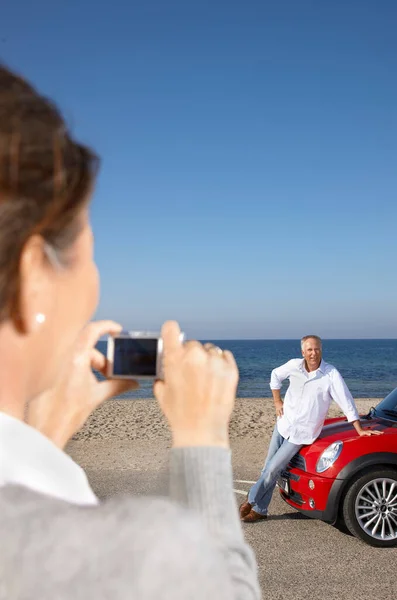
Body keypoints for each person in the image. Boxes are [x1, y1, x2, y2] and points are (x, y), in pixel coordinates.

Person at [0, 64, 260, 599]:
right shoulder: (138, 556)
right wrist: (202, 436)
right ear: (34, 282)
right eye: (88, 255)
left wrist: (42, 435)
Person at [239, 334, 382, 523]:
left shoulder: (330, 374)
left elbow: (345, 400)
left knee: (273, 469)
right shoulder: (294, 366)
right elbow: (275, 376)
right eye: (309, 350)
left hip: (301, 434)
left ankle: (251, 499)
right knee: (267, 467)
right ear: (303, 352)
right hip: (283, 424)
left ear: (321, 350)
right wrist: (276, 401)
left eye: (316, 349)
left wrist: (359, 428)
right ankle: (260, 509)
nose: (313, 353)